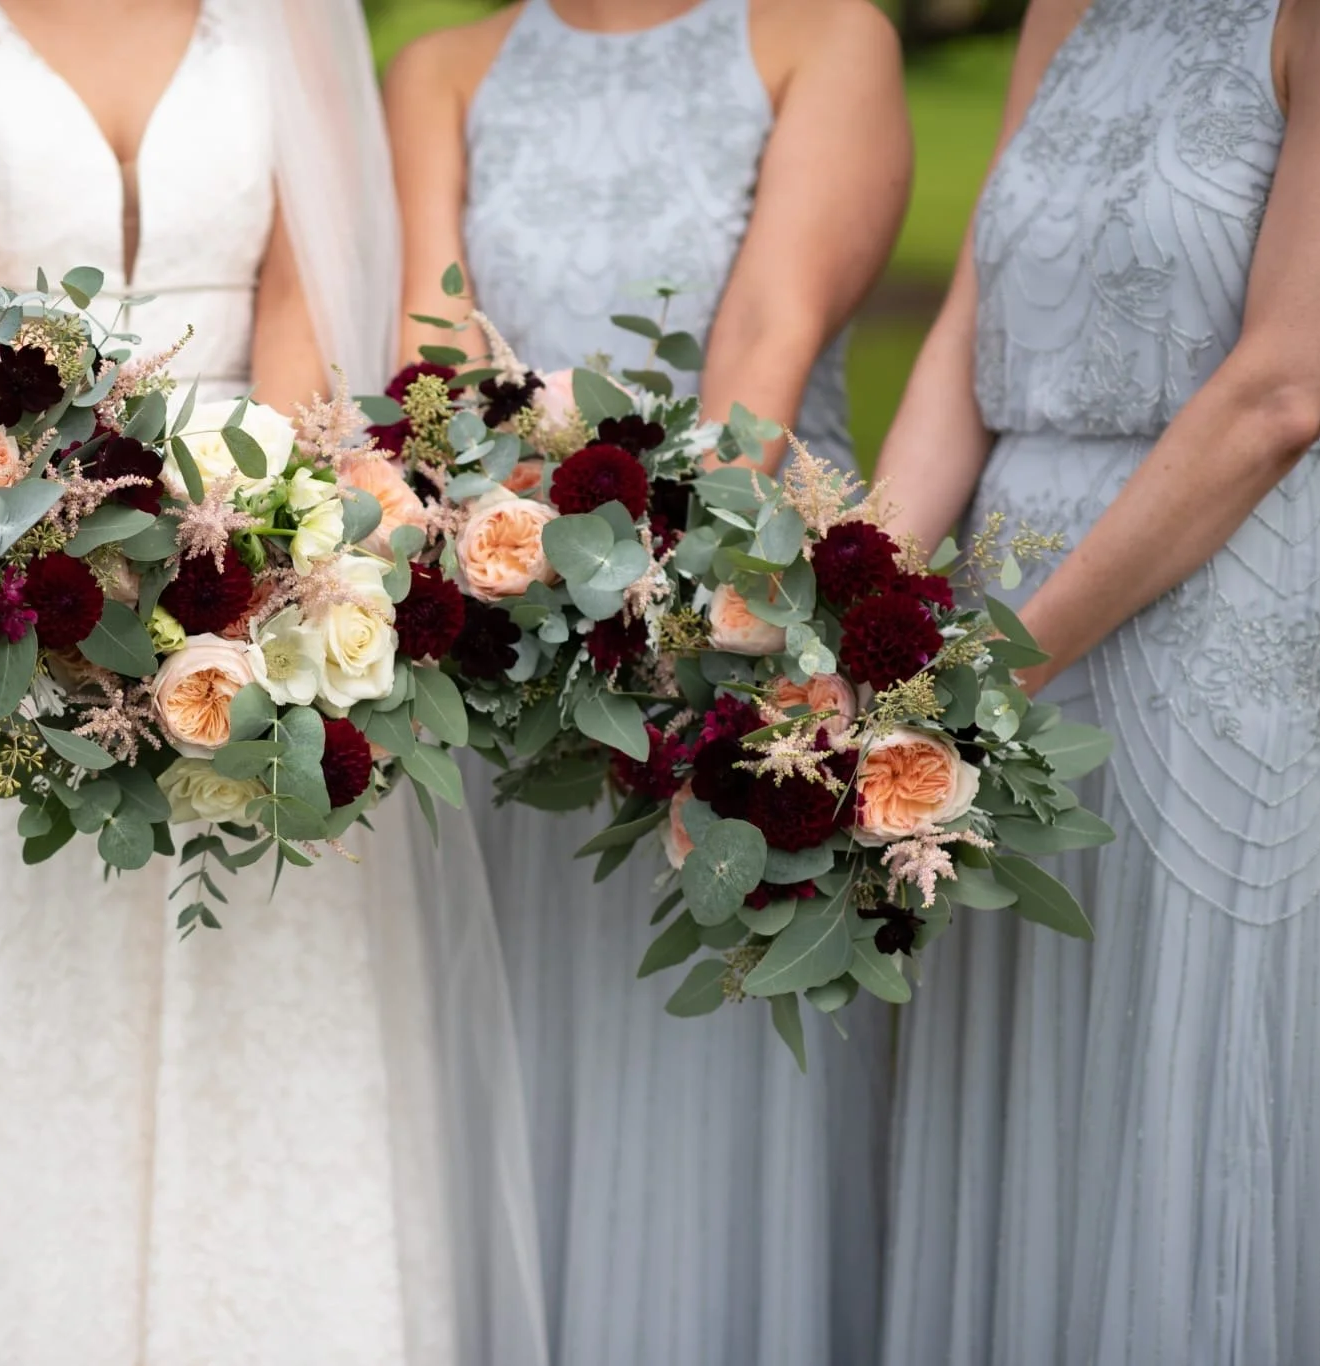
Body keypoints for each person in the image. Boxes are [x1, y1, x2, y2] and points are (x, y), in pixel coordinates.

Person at [0, 2, 542, 1362]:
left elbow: (307, 299)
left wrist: (271, 546)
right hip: (1, 560)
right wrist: (86, 558)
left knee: (258, 1060)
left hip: (257, 589)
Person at [385, 1, 908, 1360]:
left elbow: (763, 349)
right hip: (510, 663)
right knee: (512, 1078)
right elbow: (436, 370)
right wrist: (516, 574)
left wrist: (648, 598)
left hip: (735, 656)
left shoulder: (824, 36)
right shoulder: (440, 69)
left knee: (708, 1084)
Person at [871, 0, 1320, 1361]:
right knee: (1006, 1060)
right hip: (993, 599)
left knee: (1170, 1076)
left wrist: (988, 669)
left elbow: (1284, 394)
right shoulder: (1064, 10)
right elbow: (968, 335)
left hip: (1209, 603)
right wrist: (863, 619)